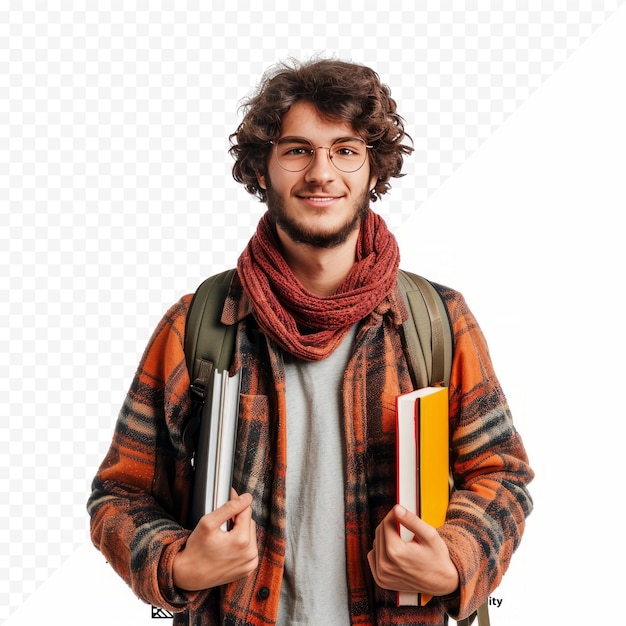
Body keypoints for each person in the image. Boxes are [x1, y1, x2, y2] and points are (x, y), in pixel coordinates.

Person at [87, 58, 533, 626]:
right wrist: (177, 566)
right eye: (298, 150)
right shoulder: (196, 325)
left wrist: (452, 566)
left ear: (373, 171)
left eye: (345, 150)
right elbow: (120, 494)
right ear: (263, 170)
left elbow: (502, 474)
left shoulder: (438, 320)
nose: (322, 173)